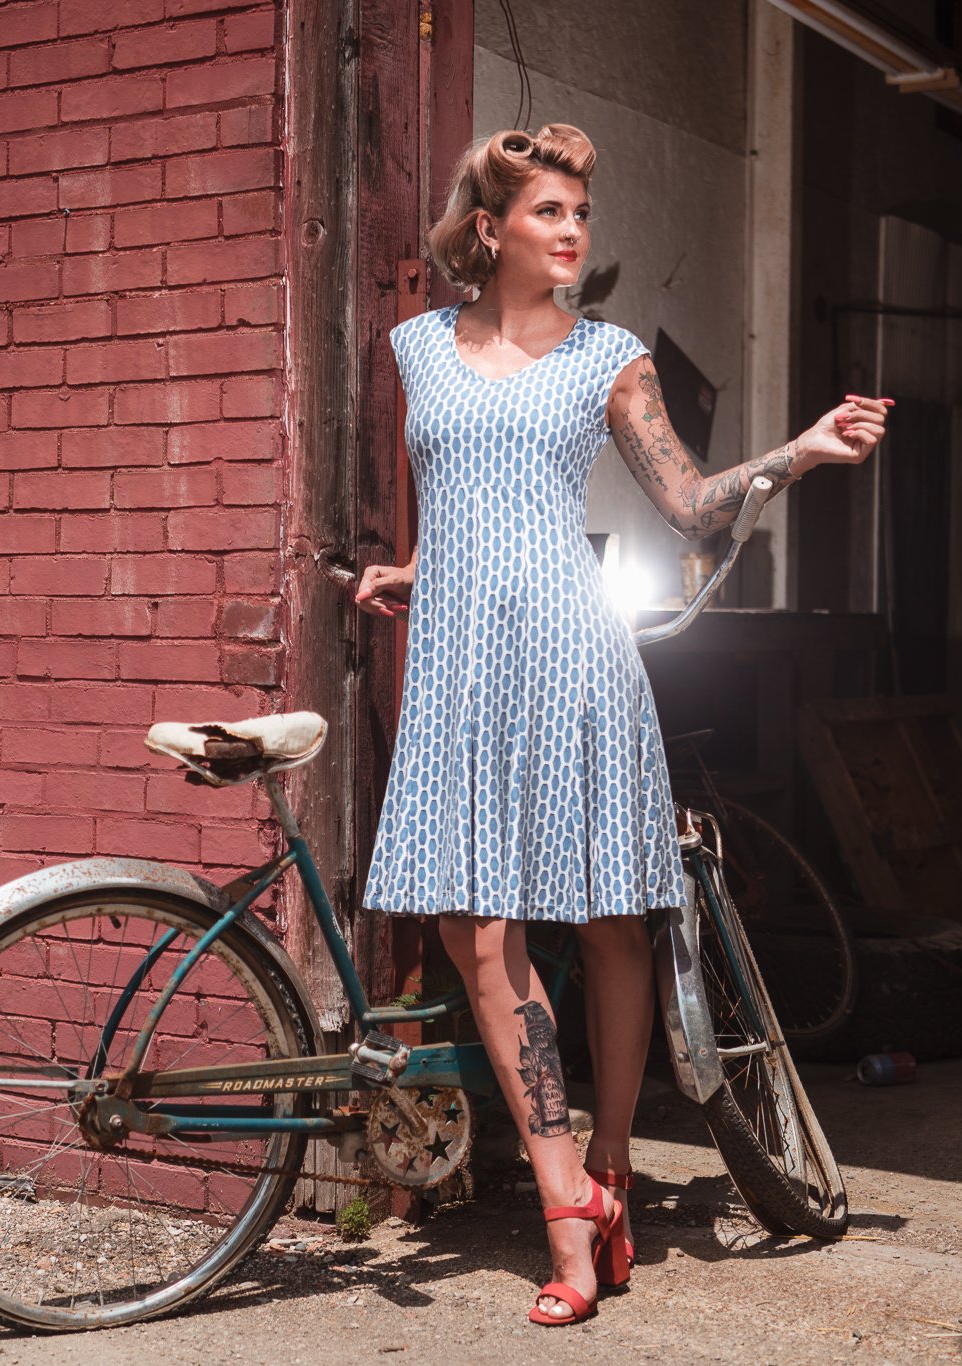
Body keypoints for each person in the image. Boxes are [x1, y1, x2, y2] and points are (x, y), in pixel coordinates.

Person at [350, 123, 890, 1327]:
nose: (574, 232)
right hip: (453, 670)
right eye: (551, 211)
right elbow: (452, 493)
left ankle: (604, 1178)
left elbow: (692, 505)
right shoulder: (417, 350)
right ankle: (563, 1199)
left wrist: (795, 452)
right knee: (474, 933)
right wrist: (416, 573)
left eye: (581, 214)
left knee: (605, 923)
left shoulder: (609, 359)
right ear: (489, 228)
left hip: (572, 660)